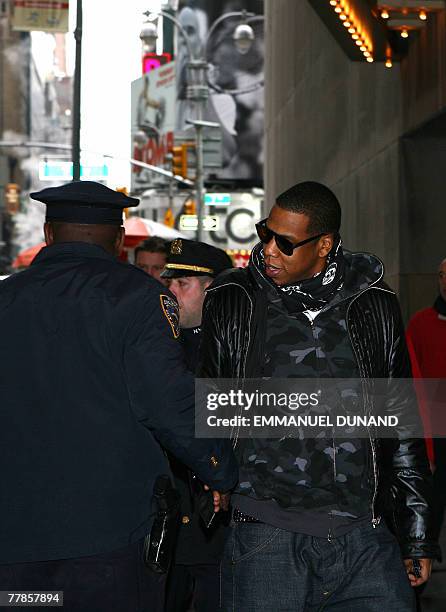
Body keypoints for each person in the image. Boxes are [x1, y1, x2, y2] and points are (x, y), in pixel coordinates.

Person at [198, 181, 440, 612]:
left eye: (285, 242)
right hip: (266, 535)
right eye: (265, 233)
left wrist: (416, 532)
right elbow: (212, 402)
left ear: (324, 243)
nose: (269, 249)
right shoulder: (235, 298)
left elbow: (401, 419)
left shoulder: (373, 302)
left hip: (365, 538)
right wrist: (211, 471)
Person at [0, 181, 238, 612]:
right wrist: (218, 468)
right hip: (108, 538)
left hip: (14, 539)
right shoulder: (140, 299)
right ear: (117, 238)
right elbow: (168, 402)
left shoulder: (6, 298)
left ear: (48, 234)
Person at [159, 239, 233, 612]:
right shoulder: (159, 347)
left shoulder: (235, 356)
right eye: (168, 281)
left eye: (182, 284)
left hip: (216, 529)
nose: (170, 291)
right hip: (168, 528)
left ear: (212, 291)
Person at [407, 258, 446, 539]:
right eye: (442, 274)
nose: (445, 280)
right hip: (436, 429)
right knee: (433, 503)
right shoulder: (421, 323)